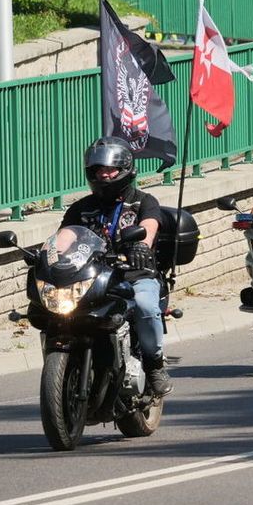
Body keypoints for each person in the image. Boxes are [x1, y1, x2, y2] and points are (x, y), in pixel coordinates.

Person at [60, 137, 172, 398]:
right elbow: (65, 237)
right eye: (99, 170)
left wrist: (142, 246)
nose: (104, 174)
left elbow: (150, 226)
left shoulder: (143, 201)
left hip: (133, 275)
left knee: (145, 306)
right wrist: (48, 254)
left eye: (110, 169)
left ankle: (154, 365)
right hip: (93, 278)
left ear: (126, 170)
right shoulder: (81, 208)